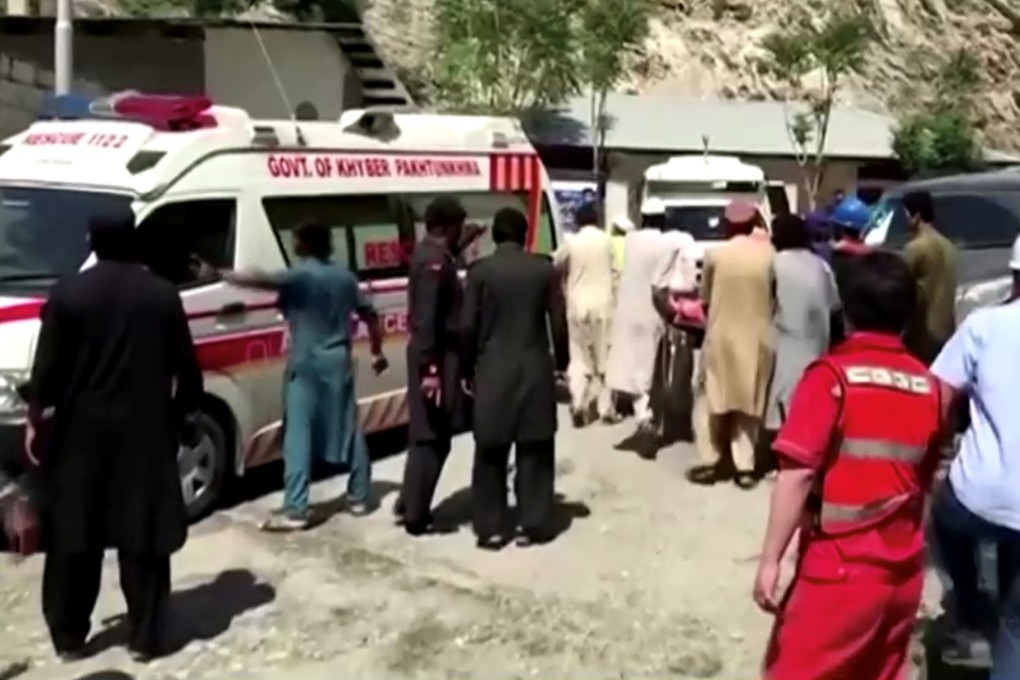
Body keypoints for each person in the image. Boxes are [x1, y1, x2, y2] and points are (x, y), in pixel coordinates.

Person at [753, 251, 942, 680]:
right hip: (902, 576)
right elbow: (925, 486)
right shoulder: (927, 385)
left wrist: (770, 561)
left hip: (841, 572)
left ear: (849, 312)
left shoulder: (831, 377)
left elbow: (798, 473)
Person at [26, 208, 202, 662]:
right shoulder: (162, 295)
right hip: (144, 435)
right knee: (141, 535)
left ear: (91, 240)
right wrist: (179, 418)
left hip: (79, 434)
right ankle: (145, 638)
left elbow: (46, 369)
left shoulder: (68, 294)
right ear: (132, 239)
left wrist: (34, 416)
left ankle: (68, 637)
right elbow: (188, 372)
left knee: (73, 535)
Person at [224, 223, 387, 532]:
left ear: (307, 244)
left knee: (298, 434)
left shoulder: (300, 276)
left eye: (296, 239)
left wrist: (222, 274)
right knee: (349, 427)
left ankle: (296, 508)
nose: (294, 244)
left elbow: (261, 280)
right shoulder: (344, 277)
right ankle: (360, 496)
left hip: (307, 362)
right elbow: (371, 316)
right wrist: (378, 352)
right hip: (338, 360)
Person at [928, 235, 1020, 678]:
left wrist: (941, 446)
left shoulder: (985, 325)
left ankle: (970, 606)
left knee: (944, 518)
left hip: (976, 498)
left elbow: (939, 393)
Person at [462, 208, 560, 550]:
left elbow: (468, 327)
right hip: (534, 368)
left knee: (490, 451)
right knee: (534, 448)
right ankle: (532, 524)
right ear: (525, 233)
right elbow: (558, 323)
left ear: (495, 236)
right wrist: (561, 363)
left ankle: (491, 528)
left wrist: (465, 370)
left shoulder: (479, 273)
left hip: (492, 370)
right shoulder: (544, 269)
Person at [687, 201, 775, 489]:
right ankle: (745, 466)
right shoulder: (770, 256)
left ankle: (709, 461)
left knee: (711, 398)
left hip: (721, 335)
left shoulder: (715, 256)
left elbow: (706, 298)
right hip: (758, 336)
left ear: (727, 224)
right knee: (748, 402)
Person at [398, 197, 468, 536]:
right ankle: (416, 514)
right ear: (448, 227)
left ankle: (408, 500)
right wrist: (432, 373)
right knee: (432, 436)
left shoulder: (432, 256)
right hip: (437, 356)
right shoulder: (434, 264)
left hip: (436, 354)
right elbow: (427, 321)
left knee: (427, 434)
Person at [605, 213, 679, 453]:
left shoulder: (631, 240)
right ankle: (648, 419)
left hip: (628, 311)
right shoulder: (666, 243)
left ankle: (642, 416)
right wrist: (671, 312)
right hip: (652, 313)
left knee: (634, 365)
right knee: (652, 368)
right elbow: (659, 286)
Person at [764, 214, 841, 441]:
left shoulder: (776, 263)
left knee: (784, 395)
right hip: (818, 343)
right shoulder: (821, 265)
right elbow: (835, 306)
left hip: (786, 340)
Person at [554, 202, 616, 427]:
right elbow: (615, 271)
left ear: (578, 221)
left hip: (577, 304)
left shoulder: (571, 242)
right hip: (603, 304)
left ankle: (579, 403)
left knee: (578, 357)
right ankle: (605, 407)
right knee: (605, 357)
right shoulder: (606, 240)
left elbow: (556, 264)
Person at [901, 190, 958, 365]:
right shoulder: (950, 247)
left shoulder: (915, 248)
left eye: (905, 214)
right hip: (946, 334)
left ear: (916, 215)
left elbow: (900, 289)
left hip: (921, 336)